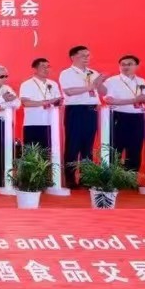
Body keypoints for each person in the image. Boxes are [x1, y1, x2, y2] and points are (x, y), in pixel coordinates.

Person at [59, 45, 105, 185]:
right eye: (83, 55)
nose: (86, 58)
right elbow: (69, 91)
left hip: (92, 110)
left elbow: (103, 92)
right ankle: (70, 179)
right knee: (73, 145)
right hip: (76, 110)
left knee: (88, 145)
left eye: (88, 55)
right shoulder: (67, 73)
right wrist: (91, 86)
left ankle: (87, 178)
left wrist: (100, 82)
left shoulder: (93, 72)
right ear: (73, 57)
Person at [103, 55, 145, 175]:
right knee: (116, 148)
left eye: (129, 64)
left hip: (138, 117)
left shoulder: (141, 81)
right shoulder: (112, 81)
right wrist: (134, 100)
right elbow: (109, 100)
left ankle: (131, 177)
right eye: (123, 64)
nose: (126, 67)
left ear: (137, 66)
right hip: (119, 116)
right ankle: (114, 176)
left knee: (135, 148)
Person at [19, 58, 61, 155]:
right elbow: (26, 103)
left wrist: (58, 102)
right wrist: (45, 103)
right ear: (35, 69)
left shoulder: (53, 84)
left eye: (48, 67)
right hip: (33, 123)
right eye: (43, 67)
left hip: (51, 123)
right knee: (32, 154)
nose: (46, 69)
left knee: (48, 154)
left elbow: (57, 101)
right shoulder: (27, 84)